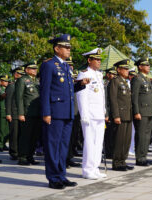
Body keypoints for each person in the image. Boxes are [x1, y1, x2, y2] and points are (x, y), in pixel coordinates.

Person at [40, 34, 85, 189]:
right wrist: (46, 112)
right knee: (53, 145)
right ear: (57, 48)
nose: (68, 50)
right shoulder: (49, 65)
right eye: (65, 47)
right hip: (54, 112)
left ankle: (61, 175)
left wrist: (81, 84)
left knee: (64, 146)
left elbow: (69, 89)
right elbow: (45, 91)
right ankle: (53, 178)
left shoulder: (66, 66)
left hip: (67, 112)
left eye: (69, 47)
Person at [76, 48, 107, 179]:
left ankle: (95, 167)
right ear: (89, 60)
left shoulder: (98, 75)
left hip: (99, 113)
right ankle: (87, 170)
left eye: (100, 60)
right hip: (90, 115)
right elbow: (81, 95)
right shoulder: (84, 74)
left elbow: (101, 96)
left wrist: (104, 111)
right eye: (97, 59)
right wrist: (84, 114)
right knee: (89, 142)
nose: (99, 62)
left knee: (98, 142)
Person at [109, 59, 134, 171]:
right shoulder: (115, 81)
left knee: (126, 140)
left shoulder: (125, 82)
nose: (127, 71)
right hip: (120, 115)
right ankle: (117, 163)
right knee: (119, 140)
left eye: (127, 69)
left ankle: (123, 160)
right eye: (125, 68)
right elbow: (113, 99)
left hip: (128, 114)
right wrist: (116, 115)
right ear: (118, 70)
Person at [16, 61, 41, 165]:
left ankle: (30, 156)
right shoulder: (22, 80)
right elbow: (19, 97)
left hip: (37, 113)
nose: (35, 70)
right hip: (27, 113)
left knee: (34, 137)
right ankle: (22, 157)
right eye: (32, 68)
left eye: (36, 68)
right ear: (27, 70)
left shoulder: (36, 81)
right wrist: (21, 113)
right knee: (25, 136)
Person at [131, 57, 152, 166]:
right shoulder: (137, 78)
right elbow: (134, 97)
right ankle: (139, 158)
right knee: (141, 136)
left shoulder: (147, 79)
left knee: (147, 136)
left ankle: (144, 156)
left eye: (148, 65)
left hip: (149, 111)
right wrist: (136, 112)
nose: (148, 67)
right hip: (141, 111)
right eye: (146, 65)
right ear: (140, 67)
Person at [65, 57, 81, 169]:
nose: (71, 67)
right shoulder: (64, 79)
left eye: (72, 65)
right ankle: (64, 159)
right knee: (65, 138)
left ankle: (69, 157)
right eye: (68, 65)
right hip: (65, 112)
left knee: (73, 137)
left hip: (75, 112)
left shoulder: (72, 79)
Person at [6, 67, 25, 160]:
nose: (22, 76)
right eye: (20, 74)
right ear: (16, 74)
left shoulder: (21, 85)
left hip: (21, 113)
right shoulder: (12, 85)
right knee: (14, 134)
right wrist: (8, 113)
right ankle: (13, 152)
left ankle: (19, 151)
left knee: (20, 134)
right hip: (13, 113)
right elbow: (8, 100)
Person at [104, 67, 117, 159]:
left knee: (113, 133)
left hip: (114, 112)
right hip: (108, 112)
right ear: (108, 74)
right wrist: (106, 114)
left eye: (115, 74)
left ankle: (112, 151)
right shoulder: (105, 85)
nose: (114, 76)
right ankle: (108, 152)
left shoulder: (114, 84)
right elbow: (105, 101)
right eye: (112, 74)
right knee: (108, 134)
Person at [0, 75, 10, 152]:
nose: (7, 82)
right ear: (1, 82)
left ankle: (4, 143)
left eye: (7, 81)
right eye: (5, 81)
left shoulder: (7, 88)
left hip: (8, 111)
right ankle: (0, 145)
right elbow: (3, 95)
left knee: (7, 130)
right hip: (2, 111)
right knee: (1, 130)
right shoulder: (0, 89)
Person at [127, 68, 137, 156]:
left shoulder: (135, 84)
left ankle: (131, 148)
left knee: (133, 131)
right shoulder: (127, 84)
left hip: (134, 110)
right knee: (128, 131)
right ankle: (128, 149)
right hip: (127, 110)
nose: (133, 77)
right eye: (131, 75)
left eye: (134, 76)